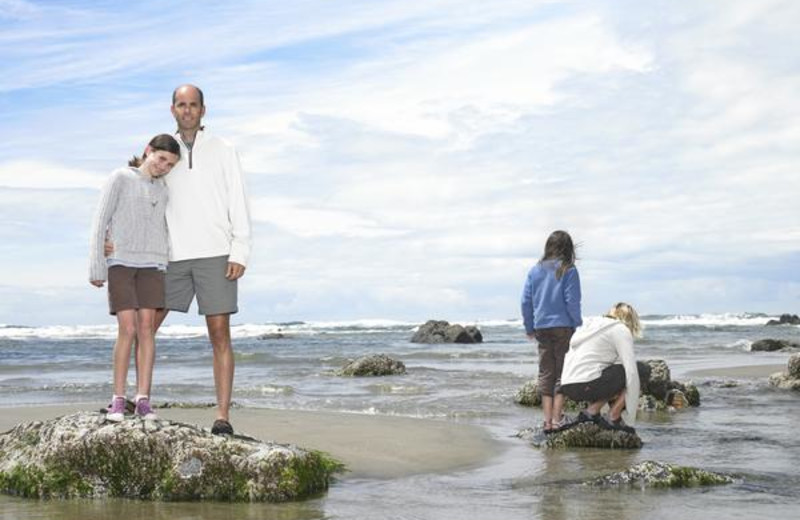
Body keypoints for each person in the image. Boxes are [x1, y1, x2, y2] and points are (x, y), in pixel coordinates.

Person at [156, 84, 251, 435]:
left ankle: (222, 417)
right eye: (181, 105)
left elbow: (238, 199)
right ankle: (139, 400)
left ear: (203, 109)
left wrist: (240, 250)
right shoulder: (161, 149)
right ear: (172, 110)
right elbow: (145, 194)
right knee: (146, 328)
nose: (187, 110)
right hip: (172, 255)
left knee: (219, 335)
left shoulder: (224, 148)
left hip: (216, 253)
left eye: (193, 105)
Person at [90, 134, 181, 422]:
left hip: (153, 264)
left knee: (146, 330)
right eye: (162, 159)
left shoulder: (163, 189)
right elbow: (100, 220)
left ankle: (143, 399)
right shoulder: (120, 177)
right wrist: (97, 266)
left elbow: (163, 228)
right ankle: (118, 399)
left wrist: (167, 261)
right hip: (121, 262)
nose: (164, 167)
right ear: (148, 151)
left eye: (170, 165)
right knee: (127, 329)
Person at [520, 230, 582, 433]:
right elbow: (572, 302)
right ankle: (557, 419)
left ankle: (547, 421)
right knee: (562, 374)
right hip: (563, 327)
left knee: (546, 373)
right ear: (568, 249)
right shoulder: (569, 270)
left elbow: (525, 302)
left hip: (541, 327)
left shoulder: (535, 271)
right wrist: (577, 324)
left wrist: (529, 326)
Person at [558, 302, 642, 434]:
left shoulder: (588, 326)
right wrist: (631, 421)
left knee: (609, 371)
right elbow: (632, 373)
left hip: (568, 386)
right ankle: (613, 416)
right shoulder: (620, 329)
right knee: (641, 369)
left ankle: (591, 412)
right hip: (586, 385)